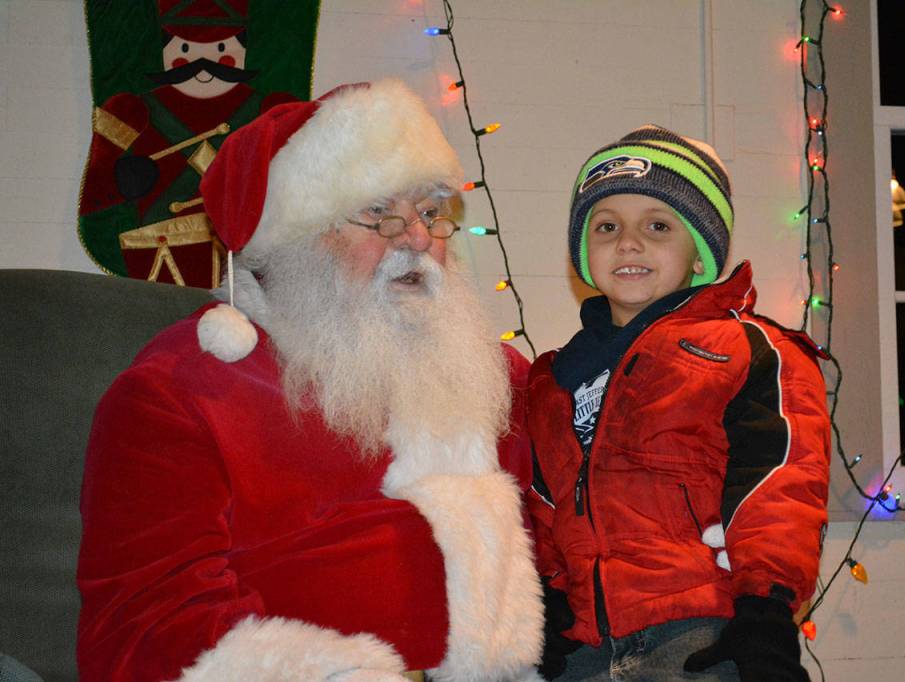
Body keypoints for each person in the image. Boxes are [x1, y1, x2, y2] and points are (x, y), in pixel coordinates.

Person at [77, 79, 545, 682]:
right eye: (380, 213)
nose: (420, 239)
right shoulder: (177, 395)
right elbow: (143, 632)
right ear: (291, 241)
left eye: (430, 213)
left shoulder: (491, 377)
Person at [526, 125, 831, 681]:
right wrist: (550, 605)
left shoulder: (747, 348)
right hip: (586, 647)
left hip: (697, 632)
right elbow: (546, 504)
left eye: (658, 226)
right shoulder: (553, 377)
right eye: (607, 225)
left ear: (700, 253)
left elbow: (780, 485)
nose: (628, 242)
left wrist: (765, 614)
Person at [79, 0, 297, 287]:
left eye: (221, 49)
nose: (203, 63)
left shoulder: (269, 110)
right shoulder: (133, 111)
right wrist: (123, 184)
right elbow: (99, 197)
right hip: (157, 252)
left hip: (239, 263)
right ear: (168, 52)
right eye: (185, 49)